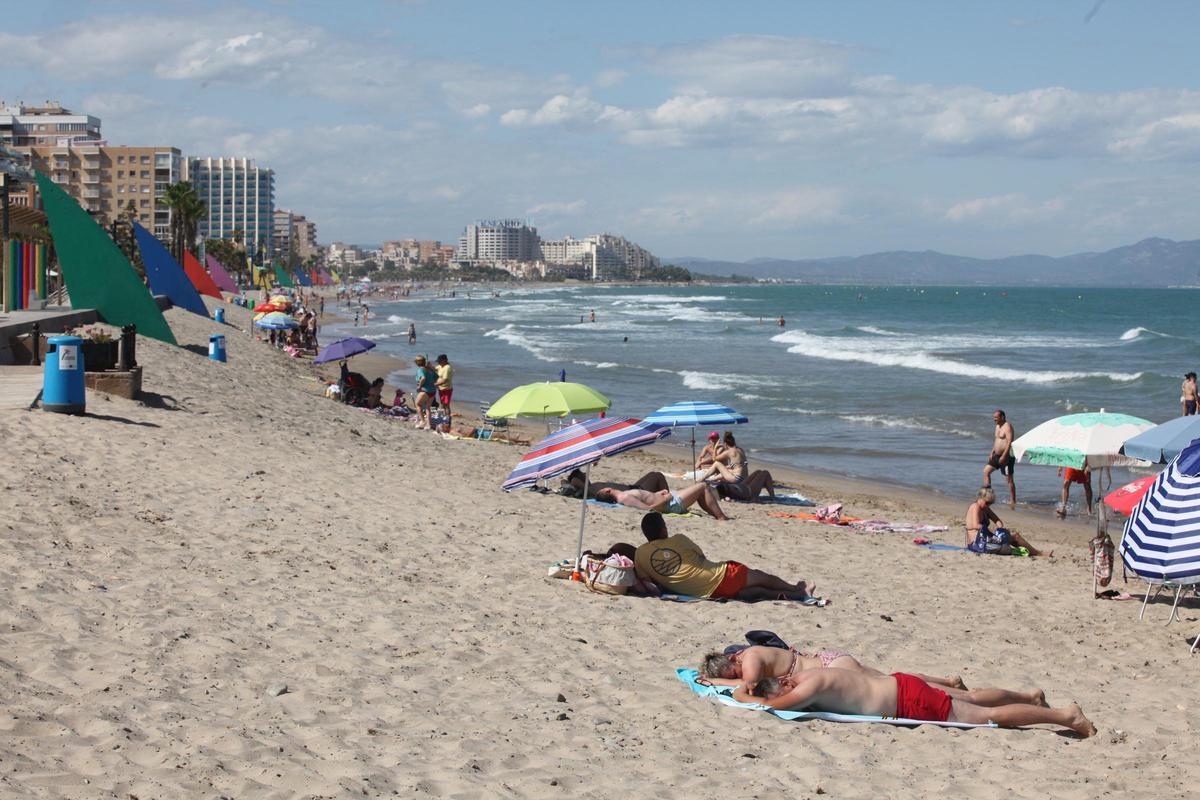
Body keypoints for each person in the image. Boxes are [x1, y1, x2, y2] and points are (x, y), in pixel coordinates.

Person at [731, 669, 1095, 736]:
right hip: (901, 683)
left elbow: (780, 706)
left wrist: (743, 693)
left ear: (780, 685)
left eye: (777, 691)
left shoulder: (806, 689)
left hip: (907, 701)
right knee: (969, 697)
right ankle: (1029, 694)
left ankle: (1065, 717)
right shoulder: (810, 673)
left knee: (988, 718)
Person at [700, 646, 1050, 709]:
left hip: (827, 670)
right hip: (830, 660)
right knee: (888, 678)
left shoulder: (750, 660)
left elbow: (746, 686)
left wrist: (718, 684)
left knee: (888, 681)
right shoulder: (751, 652)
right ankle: (945, 680)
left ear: (732, 660)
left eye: (731, 671)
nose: (738, 674)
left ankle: (945, 684)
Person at [635, 512, 817, 601]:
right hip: (719, 576)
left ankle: (794, 596)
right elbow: (701, 556)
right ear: (664, 529)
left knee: (754, 593)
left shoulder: (640, 554)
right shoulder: (678, 539)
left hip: (703, 594)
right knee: (762, 577)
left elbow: (648, 583)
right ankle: (797, 590)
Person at [966, 488, 1045, 556]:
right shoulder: (975, 507)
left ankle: (1035, 552)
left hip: (983, 540)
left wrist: (1000, 528)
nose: (988, 505)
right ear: (980, 498)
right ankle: (1038, 553)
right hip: (977, 543)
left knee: (1008, 535)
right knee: (1015, 536)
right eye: (987, 503)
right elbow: (976, 525)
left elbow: (997, 520)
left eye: (991, 503)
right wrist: (992, 530)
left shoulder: (985, 508)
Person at [699, 431, 776, 501]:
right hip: (744, 478)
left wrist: (715, 447)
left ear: (725, 444)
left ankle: (703, 478)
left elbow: (714, 459)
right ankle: (772, 496)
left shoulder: (729, 452)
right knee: (759, 471)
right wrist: (730, 467)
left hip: (736, 479)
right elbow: (743, 463)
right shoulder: (740, 450)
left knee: (717, 464)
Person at [596, 482, 729, 520]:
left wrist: (658, 494)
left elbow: (647, 499)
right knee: (703, 486)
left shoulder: (624, 495)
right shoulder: (624, 498)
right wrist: (666, 499)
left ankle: (717, 515)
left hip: (669, 500)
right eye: (604, 489)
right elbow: (648, 509)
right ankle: (721, 517)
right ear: (607, 491)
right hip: (671, 504)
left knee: (700, 492)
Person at [983, 409, 1017, 507]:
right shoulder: (997, 426)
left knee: (1009, 480)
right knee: (986, 472)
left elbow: (1010, 441)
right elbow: (997, 440)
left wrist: (1004, 455)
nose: (994, 420)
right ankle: (988, 495)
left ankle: (1013, 501)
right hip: (996, 455)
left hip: (1007, 457)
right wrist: (992, 452)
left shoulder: (1008, 426)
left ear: (1002, 417)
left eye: (996, 418)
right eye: (994, 418)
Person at [563, 468, 670, 498]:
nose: (586, 475)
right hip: (635, 492)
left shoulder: (592, 486)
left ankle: (662, 496)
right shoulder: (590, 489)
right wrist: (574, 477)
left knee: (652, 474)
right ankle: (669, 501)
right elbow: (573, 481)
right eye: (583, 475)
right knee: (658, 476)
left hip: (632, 487)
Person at [413, 355, 437, 429]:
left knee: (418, 404)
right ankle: (428, 425)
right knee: (428, 407)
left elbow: (423, 378)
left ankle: (423, 421)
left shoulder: (421, 369)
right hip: (433, 391)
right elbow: (437, 377)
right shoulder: (430, 370)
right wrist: (430, 367)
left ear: (417, 363)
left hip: (425, 390)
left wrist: (419, 386)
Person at [435, 354, 454, 420]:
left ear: (444, 360)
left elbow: (445, 380)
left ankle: (447, 418)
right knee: (442, 404)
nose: (439, 363)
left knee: (446, 404)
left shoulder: (447, 367)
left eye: (440, 361)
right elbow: (434, 369)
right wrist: (428, 365)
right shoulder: (440, 366)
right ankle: (442, 417)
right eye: (438, 362)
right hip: (441, 389)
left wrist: (435, 384)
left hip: (446, 389)